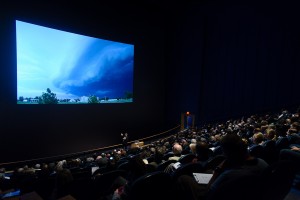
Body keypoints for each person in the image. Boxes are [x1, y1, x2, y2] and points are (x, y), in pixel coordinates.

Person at [176, 133, 269, 200]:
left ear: (229, 153)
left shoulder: (229, 175)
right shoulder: (263, 163)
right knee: (208, 171)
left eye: (224, 152)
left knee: (183, 178)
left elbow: (206, 196)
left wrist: (217, 171)